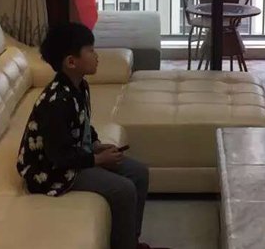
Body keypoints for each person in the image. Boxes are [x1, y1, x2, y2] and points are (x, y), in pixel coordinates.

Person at [16, 22, 164, 249]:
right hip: (51, 171)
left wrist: (95, 144)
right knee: (123, 189)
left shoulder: (80, 86)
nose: (97, 56)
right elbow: (59, 155)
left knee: (139, 173)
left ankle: (130, 241)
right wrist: (97, 160)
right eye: (91, 51)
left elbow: (82, 123)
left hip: (76, 155)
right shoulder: (56, 102)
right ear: (71, 62)